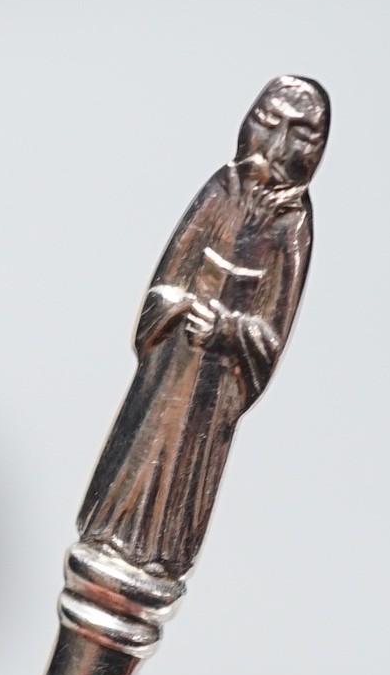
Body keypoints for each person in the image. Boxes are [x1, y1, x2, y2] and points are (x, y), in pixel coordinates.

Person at [77, 75, 329, 572]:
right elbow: (164, 285)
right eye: (269, 123)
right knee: (136, 459)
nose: (278, 145)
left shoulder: (293, 225)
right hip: (169, 372)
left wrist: (226, 329)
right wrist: (178, 307)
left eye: (299, 134)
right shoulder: (220, 193)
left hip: (210, 399)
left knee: (181, 482)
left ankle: (159, 556)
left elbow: (270, 336)